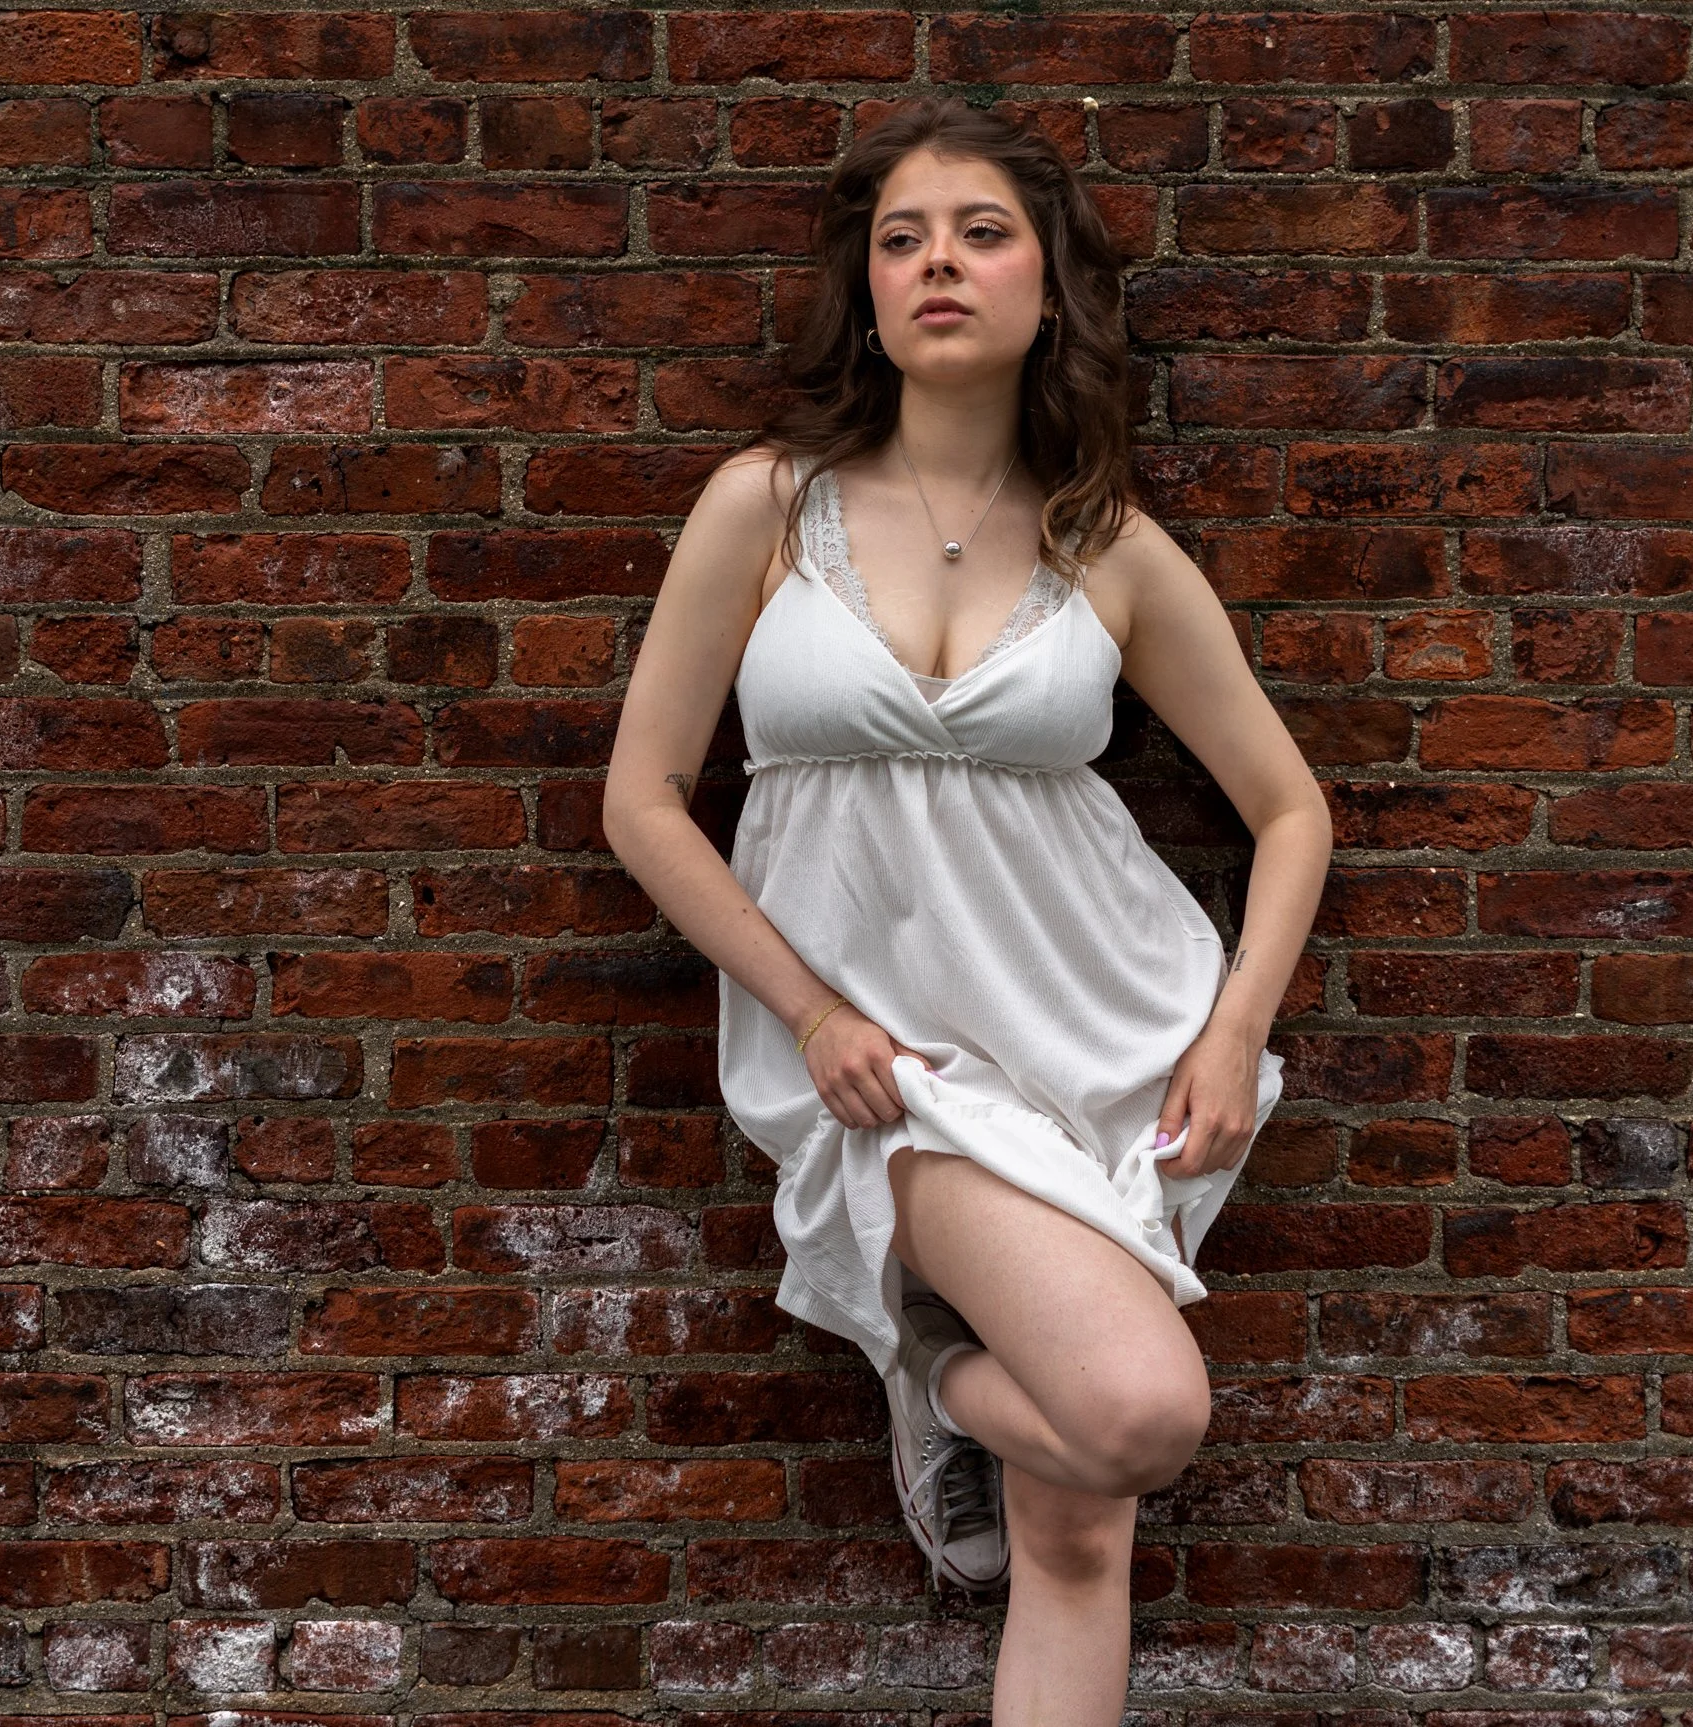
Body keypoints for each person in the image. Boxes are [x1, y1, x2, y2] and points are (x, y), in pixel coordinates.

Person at [599, 96, 1333, 1723]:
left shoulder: (1107, 545)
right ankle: (932, 1377)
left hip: (1106, 1049)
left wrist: (1233, 1032)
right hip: (898, 1069)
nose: (938, 262)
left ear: (1047, 291)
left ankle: (951, 1395)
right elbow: (642, 800)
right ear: (866, 292)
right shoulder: (764, 506)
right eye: (903, 239)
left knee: (1079, 1532)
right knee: (1140, 1413)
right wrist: (809, 1007)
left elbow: (1291, 809)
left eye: (982, 234)